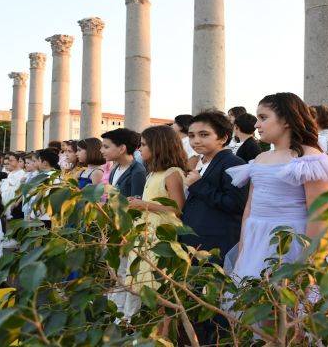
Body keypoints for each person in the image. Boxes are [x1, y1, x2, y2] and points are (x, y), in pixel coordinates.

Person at [225, 92, 328, 280]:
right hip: (255, 241)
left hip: (291, 242)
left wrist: (308, 262)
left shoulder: (308, 158)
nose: (256, 125)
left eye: (263, 118)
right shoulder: (260, 158)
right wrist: (243, 248)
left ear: (286, 120)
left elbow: (319, 214)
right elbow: (249, 208)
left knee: (290, 304)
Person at [111, 125, 187, 320]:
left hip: (161, 237)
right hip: (146, 234)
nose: (139, 149)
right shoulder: (153, 173)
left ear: (158, 146)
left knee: (155, 287)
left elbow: (177, 209)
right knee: (138, 282)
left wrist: (144, 204)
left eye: (144, 145)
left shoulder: (172, 173)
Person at [181, 110, 248, 260]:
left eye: (204, 135)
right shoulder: (201, 162)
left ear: (223, 138)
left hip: (215, 246)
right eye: (191, 135)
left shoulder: (233, 164)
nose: (196, 141)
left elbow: (236, 205)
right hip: (195, 243)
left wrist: (198, 185)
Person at [101, 128, 146, 197]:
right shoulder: (115, 169)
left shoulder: (137, 171)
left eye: (106, 147)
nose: (101, 150)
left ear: (122, 149)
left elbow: (136, 204)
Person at [0, 152, 26, 219]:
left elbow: (20, 190)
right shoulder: (10, 173)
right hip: (5, 203)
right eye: (9, 161)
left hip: (13, 204)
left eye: (11, 160)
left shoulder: (22, 173)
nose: (9, 162)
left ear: (18, 161)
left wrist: (16, 202)